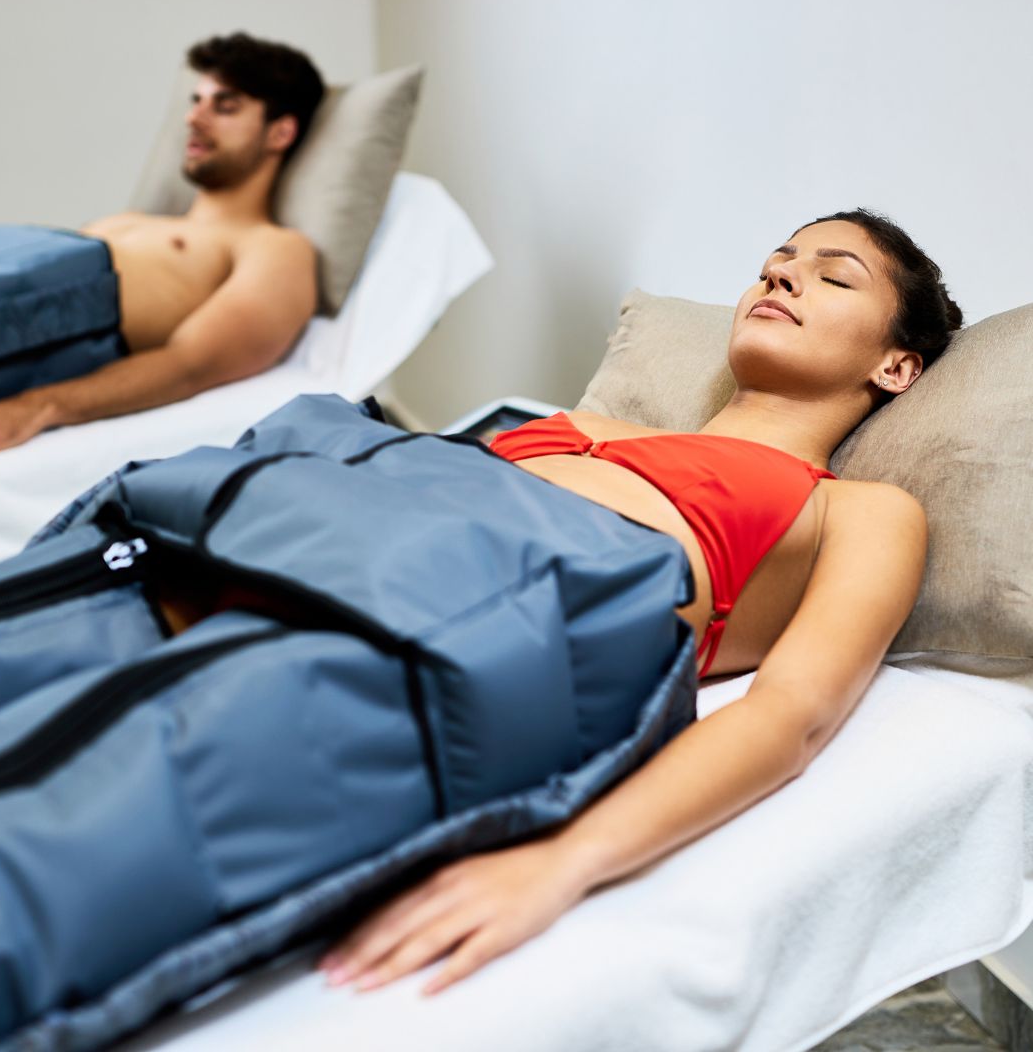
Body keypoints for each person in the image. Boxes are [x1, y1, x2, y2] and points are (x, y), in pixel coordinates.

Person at [311, 208, 962, 996]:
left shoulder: (861, 511)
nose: (780, 275)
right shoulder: (579, 424)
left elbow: (791, 716)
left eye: (832, 277)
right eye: (777, 262)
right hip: (327, 550)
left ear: (897, 366)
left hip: (448, 627)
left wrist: (568, 860)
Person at [0, 32, 324, 461]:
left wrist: (34, 407)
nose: (194, 118)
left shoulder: (274, 246)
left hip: (17, 309)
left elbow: (192, 365)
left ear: (280, 132)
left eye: (225, 106)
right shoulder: (136, 221)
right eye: (196, 101)